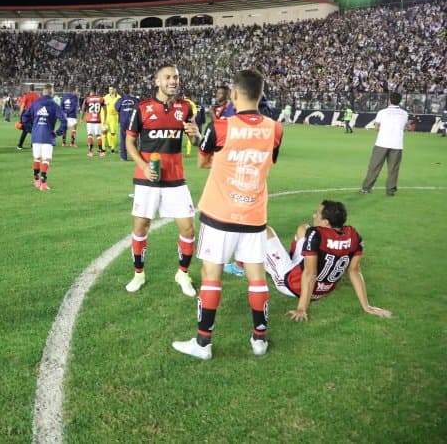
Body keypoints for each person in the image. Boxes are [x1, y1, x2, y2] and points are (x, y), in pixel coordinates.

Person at [172, 68, 283, 360]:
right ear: (260, 95)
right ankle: (259, 340)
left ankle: (203, 343)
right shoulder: (275, 129)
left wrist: (208, 148)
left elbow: (203, 163)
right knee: (257, 278)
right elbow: (267, 161)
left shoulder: (220, 126)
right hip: (254, 215)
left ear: (234, 94)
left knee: (211, 275)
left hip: (220, 213)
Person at [124, 65, 201, 298]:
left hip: (176, 180)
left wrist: (195, 135)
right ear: (157, 81)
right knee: (140, 227)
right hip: (147, 180)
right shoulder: (142, 109)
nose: (173, 81)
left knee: (188, 227)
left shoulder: (186, 108)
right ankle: (139, 274)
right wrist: (144, 166)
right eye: (167, 77)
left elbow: (197, 142)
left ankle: (183, 274)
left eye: (176, 77)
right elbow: (129, 144)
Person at [264, 200, 392, 321]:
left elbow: (310, 274)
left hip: (292, 284)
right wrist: (366, 306)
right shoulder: (353, 235)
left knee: (264, 231)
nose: (314, 215)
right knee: (303, 228)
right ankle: (287, 259)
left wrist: (301, 308)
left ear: (325, 222)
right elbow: (354, 271)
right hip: (323, 289)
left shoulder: (316, 234)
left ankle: (247, 262)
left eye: (317, 214)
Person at [360, 92, 408, 197]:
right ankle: (390, 190)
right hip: (397, 144)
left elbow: (376, 128)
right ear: (400, 101)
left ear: (389, 100)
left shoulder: (382, 112)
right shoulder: (405, 114)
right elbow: (404, 128)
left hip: (382, 143)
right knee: (393, 169)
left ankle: (366, 188)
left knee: (374, 167)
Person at [21, 84, 67, 191]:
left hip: (36, 135)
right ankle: (44, 183)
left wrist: (30, 129)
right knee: (46, 159)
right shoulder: (54, 105)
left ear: (43, 92)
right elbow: (64, 121)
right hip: (48, 135)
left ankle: (36, 180)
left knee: (36, 158)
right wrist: (58, 133)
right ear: (52, 92)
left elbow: (24, 118)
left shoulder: (35, 104)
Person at [116, 87, 140, 161]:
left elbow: (116, 108)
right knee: (134, 138)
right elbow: (140, 107)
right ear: (130, 91)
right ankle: (134, 156)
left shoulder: (120, 100)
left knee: (123, 138)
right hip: (132, 122)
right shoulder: (135, 99)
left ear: (123, 92)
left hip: (123, 121)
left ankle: (123, 157)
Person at [82, 89, 107, 157]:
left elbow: (83, 108)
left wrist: (82, 118)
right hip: (97, 119)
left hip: (89, 119)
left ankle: (90, 152)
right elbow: (105, 109)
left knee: (90, 135)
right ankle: (101, 152)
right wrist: (105, 118)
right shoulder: (101, 98)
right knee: (98, 135)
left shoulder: (87, 99)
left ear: (91, 92)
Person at [103, 85, 121, 154]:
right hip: (107, 116)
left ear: (115, 90)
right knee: (104, 131)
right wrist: (104, 103)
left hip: (114, 117)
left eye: (111, 89)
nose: (110, 91)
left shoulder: (119, 97)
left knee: (113, 133)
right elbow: (101, 104)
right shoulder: (106, 97)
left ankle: (113, 148)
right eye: (109, 89)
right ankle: (103, 148)